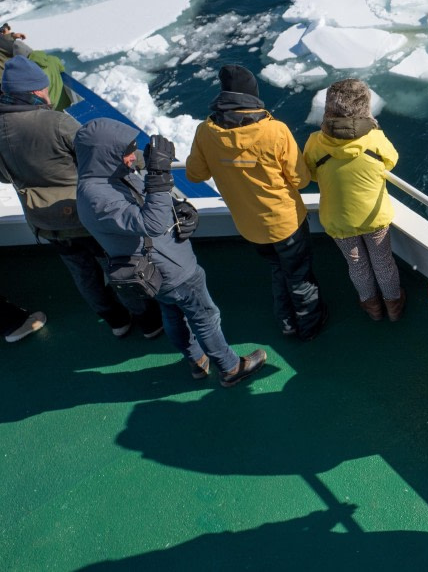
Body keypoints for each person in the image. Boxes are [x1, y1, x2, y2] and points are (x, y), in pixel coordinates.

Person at [75, 118, 267, 387]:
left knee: (173, 313)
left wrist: (180, 208)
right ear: (105, 154)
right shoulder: (97, 197)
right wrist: (159, 176)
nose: (132, 157)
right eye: (126, 152)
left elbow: (147, 203)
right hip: (171, 268)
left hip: (158, 270)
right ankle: (231, 367)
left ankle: (197, 361)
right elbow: (151, 224)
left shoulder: (108, 175)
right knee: (205, 315)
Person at [0, 56, 162, 339]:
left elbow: (3, 175)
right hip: (85, 213)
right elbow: (100, 156)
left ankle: (116, 321)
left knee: (82, 273)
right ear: (35, 91)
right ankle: (148, 322)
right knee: (117, 267)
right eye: (45, 89)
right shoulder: (56, 122)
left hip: (45, 221)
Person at [185, 64, 327, 341]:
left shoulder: (206, 131)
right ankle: (309, 325)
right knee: (298, 273)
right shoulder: (274, 131)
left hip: (249, 225)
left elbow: (195, 174)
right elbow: (299, 179)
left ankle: (286, 324)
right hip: (285, 222)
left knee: (277, 269)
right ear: (253, 95)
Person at [303, 79, 404, 320]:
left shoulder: (315, 143)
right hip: (374, 216)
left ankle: (372, 308)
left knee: (357, 265)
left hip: (338, 221)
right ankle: (393, 306)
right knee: (383, 263)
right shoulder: (375, 139)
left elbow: (312, 174)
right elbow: (391, 161)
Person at [0, 25, 68, 109]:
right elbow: (62, 69)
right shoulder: (52, 60)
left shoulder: (25, 75)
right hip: (65, 103)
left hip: (48, 109)